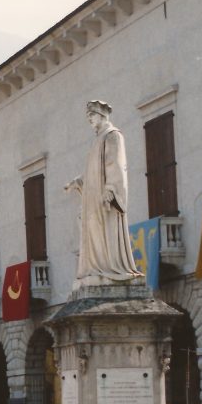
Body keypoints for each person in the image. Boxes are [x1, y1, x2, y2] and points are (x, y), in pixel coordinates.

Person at [63, 99, 142, 286]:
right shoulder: (97, 141)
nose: (89, 119)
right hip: (92, 200)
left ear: (102, 115)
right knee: (93, 233)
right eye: (88, 116)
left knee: (105, 232)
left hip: (105, 200)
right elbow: (94, 172)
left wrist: (111, 189)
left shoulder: (113, 136)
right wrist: (78, 182)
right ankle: (97, 270)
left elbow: (116, 164)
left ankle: (108, 269)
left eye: (92, 115)